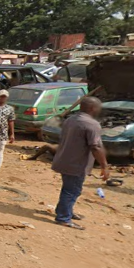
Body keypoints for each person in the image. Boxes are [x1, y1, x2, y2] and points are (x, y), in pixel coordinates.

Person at [51, 97, 109, 230]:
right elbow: (96, 147)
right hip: (76, 163)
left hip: (64, 160)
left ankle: (66, 211)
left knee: (68, 188)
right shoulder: (91, 124)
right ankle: (63, 218)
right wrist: (104, 166)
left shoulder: (71, 119)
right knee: (72, 191)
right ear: (92, 108)